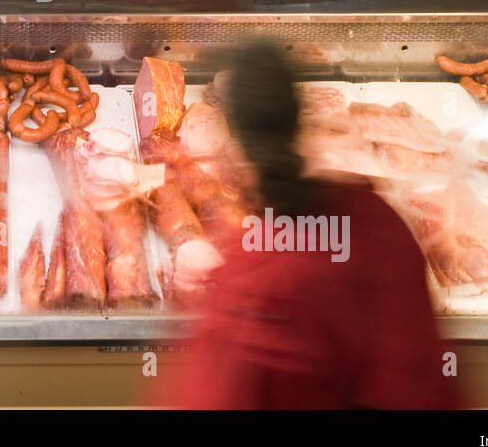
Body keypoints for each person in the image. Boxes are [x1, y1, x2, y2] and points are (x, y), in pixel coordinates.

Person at [164, 41, 460, 410]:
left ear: (237, 150)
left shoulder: (248, 278)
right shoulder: (378, 219)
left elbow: (210, 398)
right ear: (299, 118)